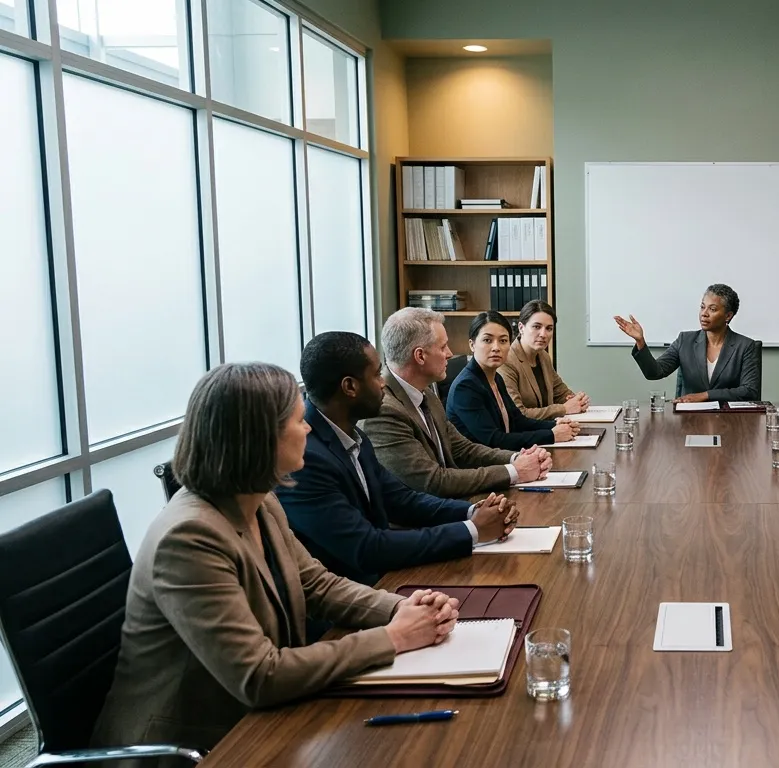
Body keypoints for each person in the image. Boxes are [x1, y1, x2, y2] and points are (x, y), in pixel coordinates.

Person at [91, 363, 462, 763]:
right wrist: (395, 637)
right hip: (194, 744)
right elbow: (260, 677)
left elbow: (316, 584)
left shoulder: (261, 500)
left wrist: (401, 607)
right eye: (299, 420)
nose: (307, 430)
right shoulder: (188, 538)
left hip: (262, 716)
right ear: (258, 437)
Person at [276, 332, 518, 588]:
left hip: (387, 580)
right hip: (356, 597)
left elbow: (402, 500)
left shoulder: (353, 434)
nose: (383, 383)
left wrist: (473, 512)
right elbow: (367, 547)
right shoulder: (305, 460)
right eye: (377, 374)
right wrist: (472, 531)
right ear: (350, 387)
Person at [361, 307, 552, 499]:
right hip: (425, 520)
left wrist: (516, 458)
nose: (450, 354)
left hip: (453, 503)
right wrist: (514, 471)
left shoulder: (426, 392)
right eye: (443, 347)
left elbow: (463, 449)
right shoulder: (384, 411)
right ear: (420, 356)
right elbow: (433, 482)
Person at [446, 312, 581, 450]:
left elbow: (517, 421)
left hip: (504, 458)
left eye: (503, 341)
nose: (496, 347)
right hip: (481, 466)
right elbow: (494, 440)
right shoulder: (466, 387)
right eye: (487, 340)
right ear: (472, 344)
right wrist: (551, 435)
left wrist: (556, 424)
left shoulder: (496, 378)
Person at [614, 283, 762, 403]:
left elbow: (749, 390)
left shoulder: (745, 346)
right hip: (689, 419)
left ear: (728, 316)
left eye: (713, 309)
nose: (704, 313)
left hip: (731, 421)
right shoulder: (685, 340)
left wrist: (705, 395)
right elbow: (655, 372)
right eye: (702, 307)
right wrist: (640, 341)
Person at [498, 300, 590, 420]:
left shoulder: (543, 356)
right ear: (521, 328)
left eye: (549, 329)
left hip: (546, 429)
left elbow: (561, 393)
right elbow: (517, 414)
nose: (543, 334)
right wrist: (564, 409)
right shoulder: (506, 361)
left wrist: (577, 400)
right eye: (537, 327)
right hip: (524, 435)